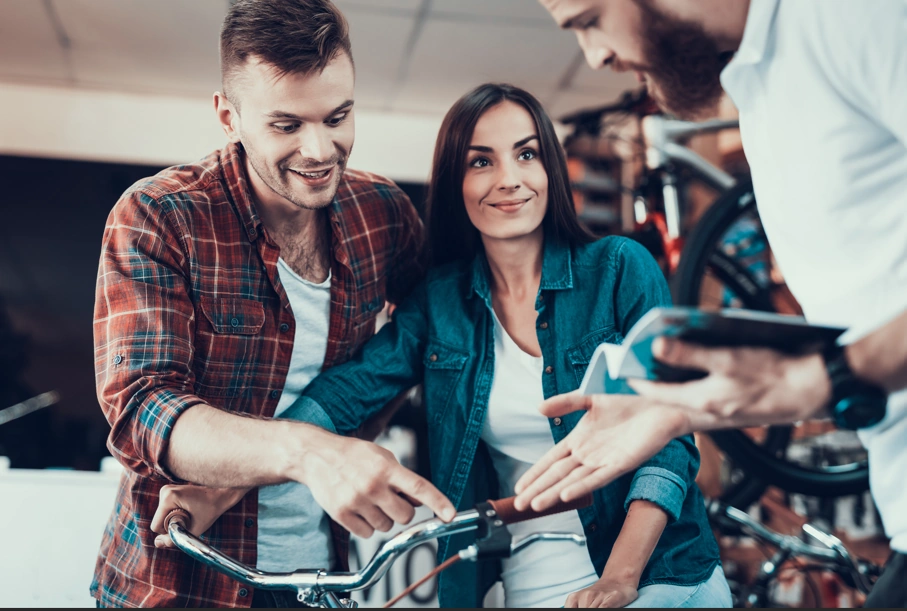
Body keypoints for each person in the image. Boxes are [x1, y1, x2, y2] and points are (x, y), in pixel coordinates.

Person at [153, 83, 731, 609]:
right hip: (530, 580)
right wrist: (218, 493)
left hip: (657, 571)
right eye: (482, 161)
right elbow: (345, 392)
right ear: (456, 182)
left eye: (527, 155)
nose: (509, 179)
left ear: (550, 170)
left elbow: (667, 435)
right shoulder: (443, 301)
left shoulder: (618, 270)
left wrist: (621, 579)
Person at [515, 0, 907, 606]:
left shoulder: (852, 14)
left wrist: (822, 376)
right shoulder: (760, 87)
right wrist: (682, 406)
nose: (595, 57)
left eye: (590, 20)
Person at [90, 0, 455, 607]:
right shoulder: (160, 216)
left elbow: (429, 334)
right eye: (285, 125)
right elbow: (143, 410)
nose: (319, 150)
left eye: (337, 116)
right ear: (227, 116)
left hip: (320, 576)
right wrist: (310, 452)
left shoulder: (383, 214)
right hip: (180, 581)